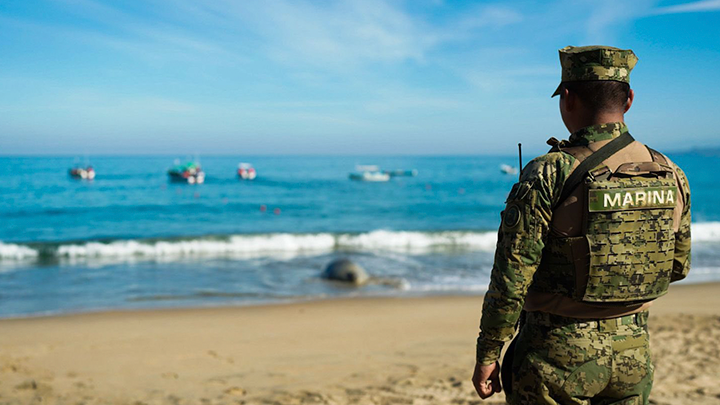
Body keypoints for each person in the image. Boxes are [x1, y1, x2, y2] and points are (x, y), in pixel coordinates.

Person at [471, 45, 691, 404]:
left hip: (555, 353)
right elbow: (677, 266)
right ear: (629, 100)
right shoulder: (670, 172)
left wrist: (488, 352)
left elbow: (512, 275)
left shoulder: (551, 171)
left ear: (568, 98)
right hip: (634, 354)